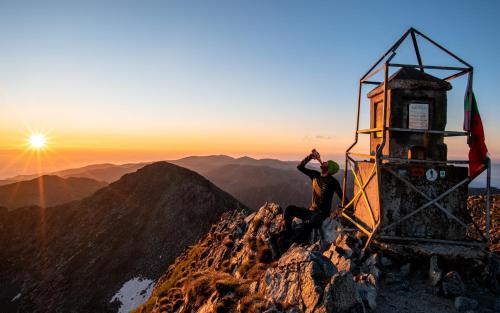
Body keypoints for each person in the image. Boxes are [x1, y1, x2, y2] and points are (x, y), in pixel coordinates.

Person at [282, 149, 345, 239]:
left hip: (322, 213)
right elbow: (300, 167)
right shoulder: (315, 175)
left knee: (309, 223)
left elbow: (342, 196)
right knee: (289, 209)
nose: (323, 162)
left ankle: (293, 240)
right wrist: (310, 157)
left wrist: (350, 208)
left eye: (326, 163)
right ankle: (288, 233)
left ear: (329, 168)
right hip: (311, 210)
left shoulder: (333, 182)